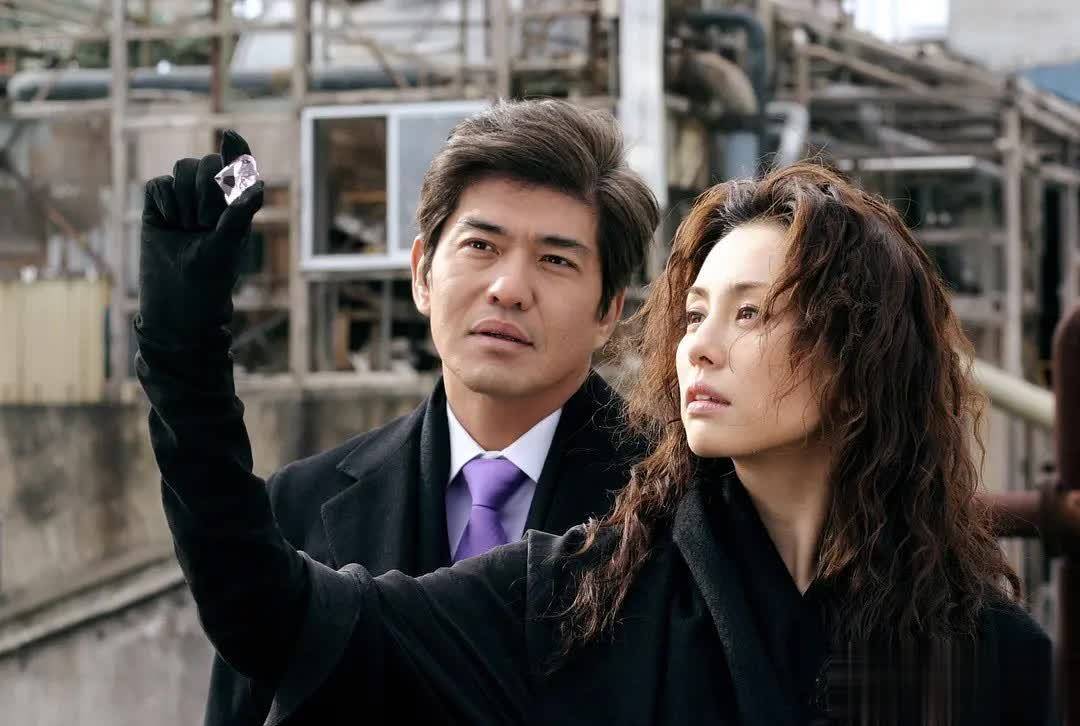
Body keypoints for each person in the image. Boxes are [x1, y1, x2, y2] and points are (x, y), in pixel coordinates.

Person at [137, 160, 1055, 725]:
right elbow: (275, 612)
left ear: (861, 356)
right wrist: (184, 351)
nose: (700, 345)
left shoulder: (983, 651)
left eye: (751, 313)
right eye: (694, 313)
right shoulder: (589, 592)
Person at [137, 100, 658, 726]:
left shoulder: (676, 505)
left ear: (608, 311)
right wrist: (180, 341)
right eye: (481, 245)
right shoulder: (301, 505)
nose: (509, 289)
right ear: (422, 274)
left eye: (555, 259)